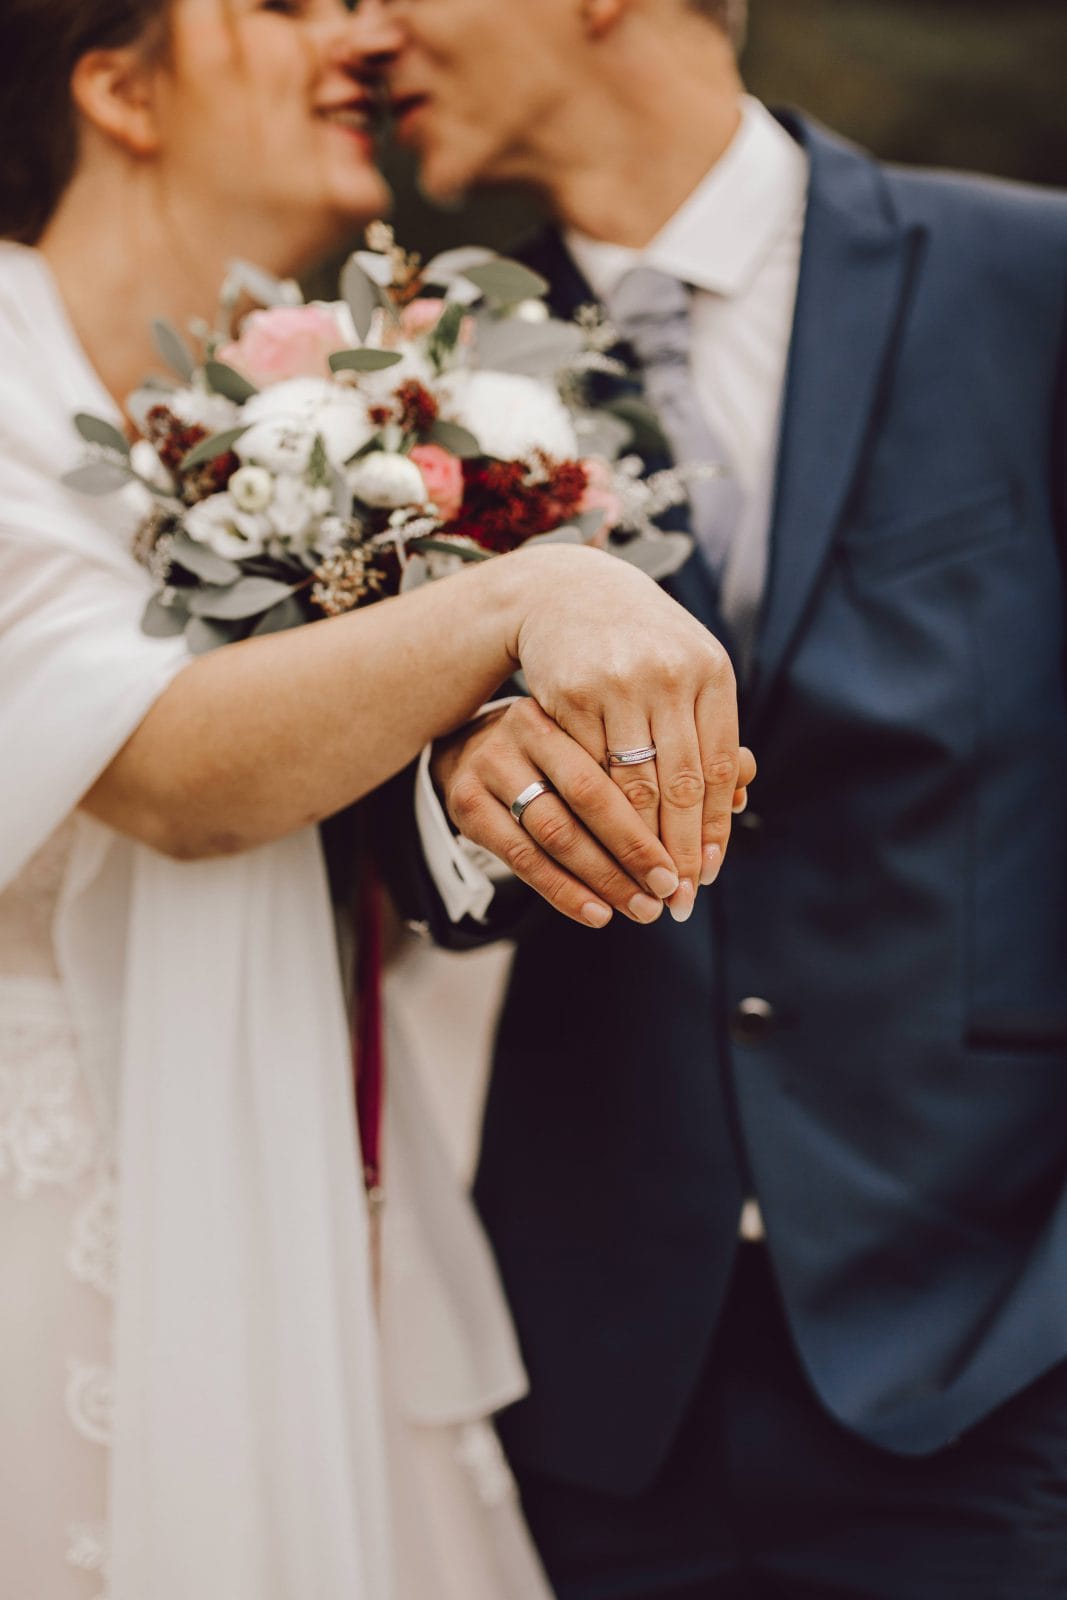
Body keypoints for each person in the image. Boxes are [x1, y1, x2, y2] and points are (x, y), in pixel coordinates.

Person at [0, 1, 755, 1595]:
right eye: (278, 7)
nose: (360, 34)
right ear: (119, 90)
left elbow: (328, 768)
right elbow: (168, 767)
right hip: (64, 1230)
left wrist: (478, 745)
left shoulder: (319, 411)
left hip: (318, 1195)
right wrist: (518, 600)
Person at [380, 0, 1067, 1594]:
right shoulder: (409, 379)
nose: (373, 31)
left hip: (1001, 1355)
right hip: (605, 1383)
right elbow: (388, 848)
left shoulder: (1030, 282)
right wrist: (447, 781)